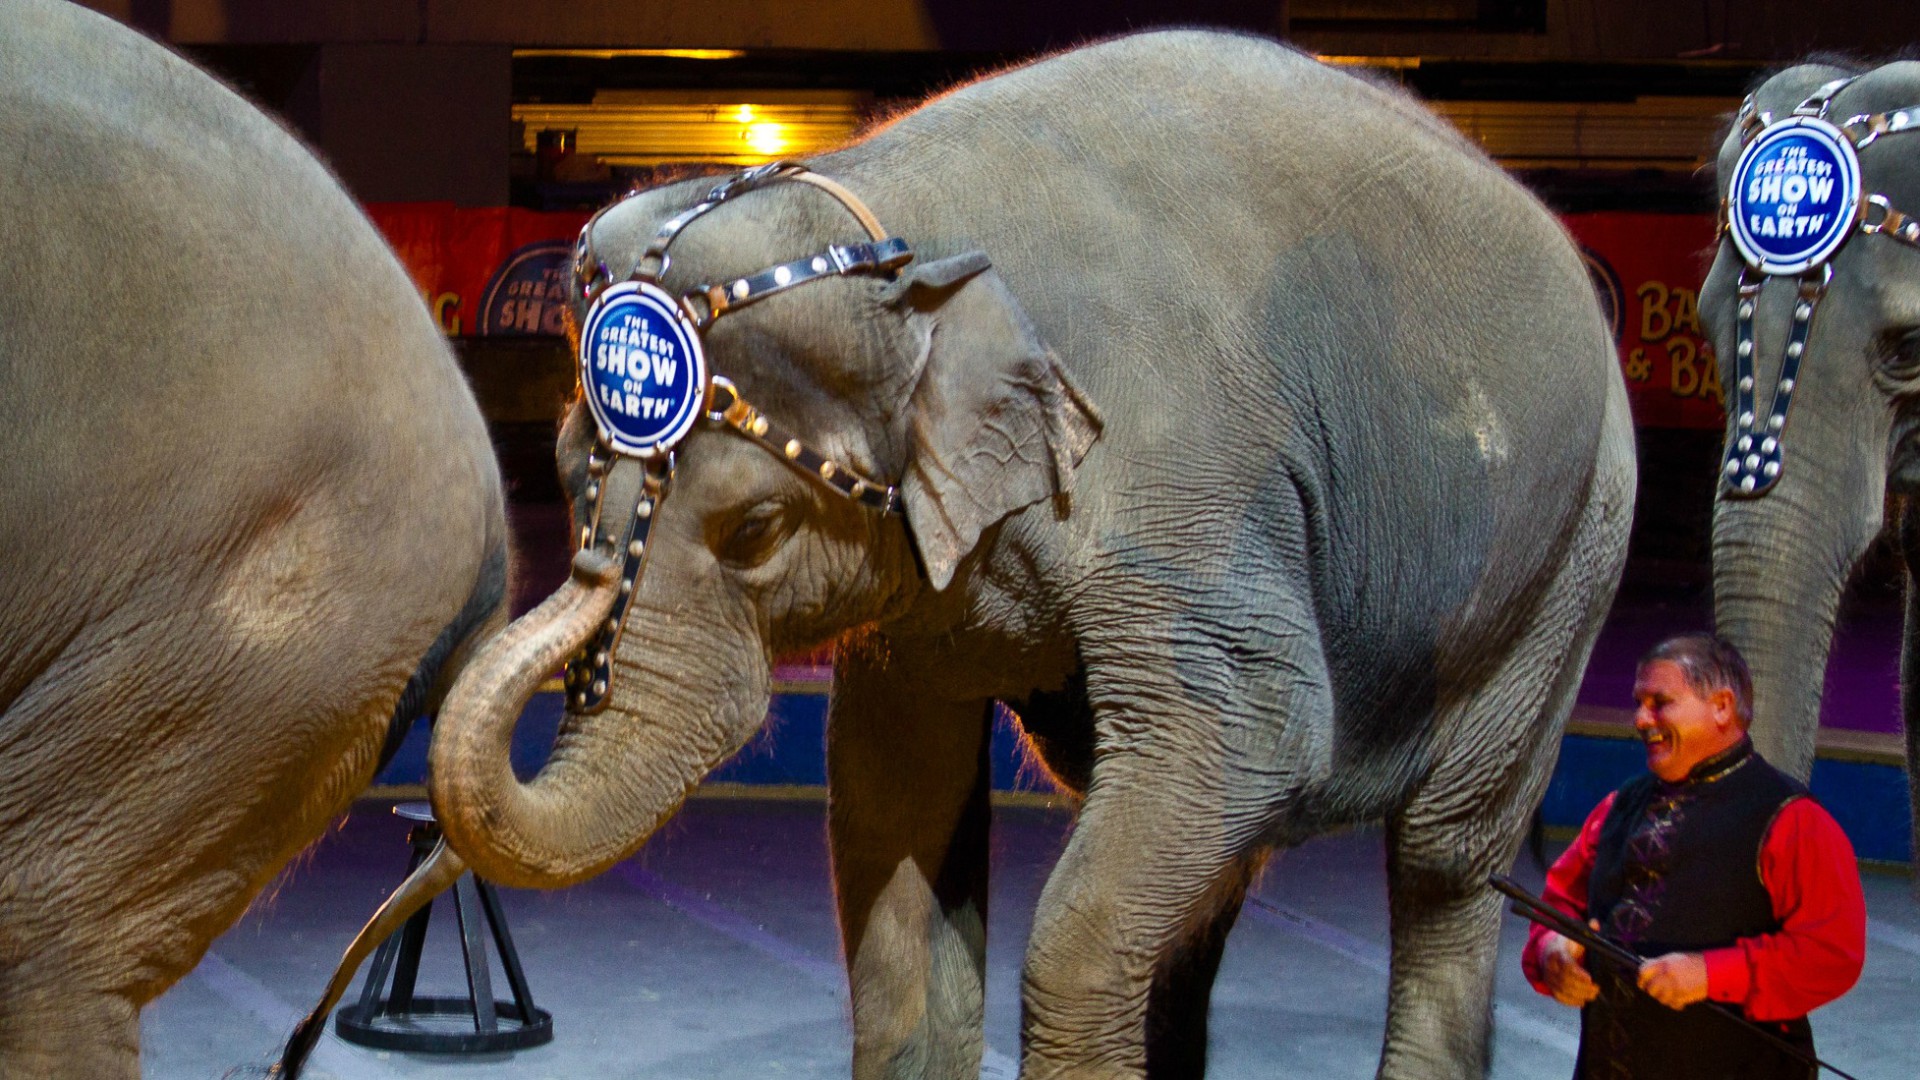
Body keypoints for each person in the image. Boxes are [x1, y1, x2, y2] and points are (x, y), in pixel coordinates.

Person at [1520, 633, 1866, 1080]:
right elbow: (1557, 905)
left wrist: (1710, 973)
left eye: (1659, 703)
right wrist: (1552, 954)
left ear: (1721, 706)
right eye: (1639, 702)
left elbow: (1831, 953)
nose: (1641, 719)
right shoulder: (1617, 807)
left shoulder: (1793, 821)